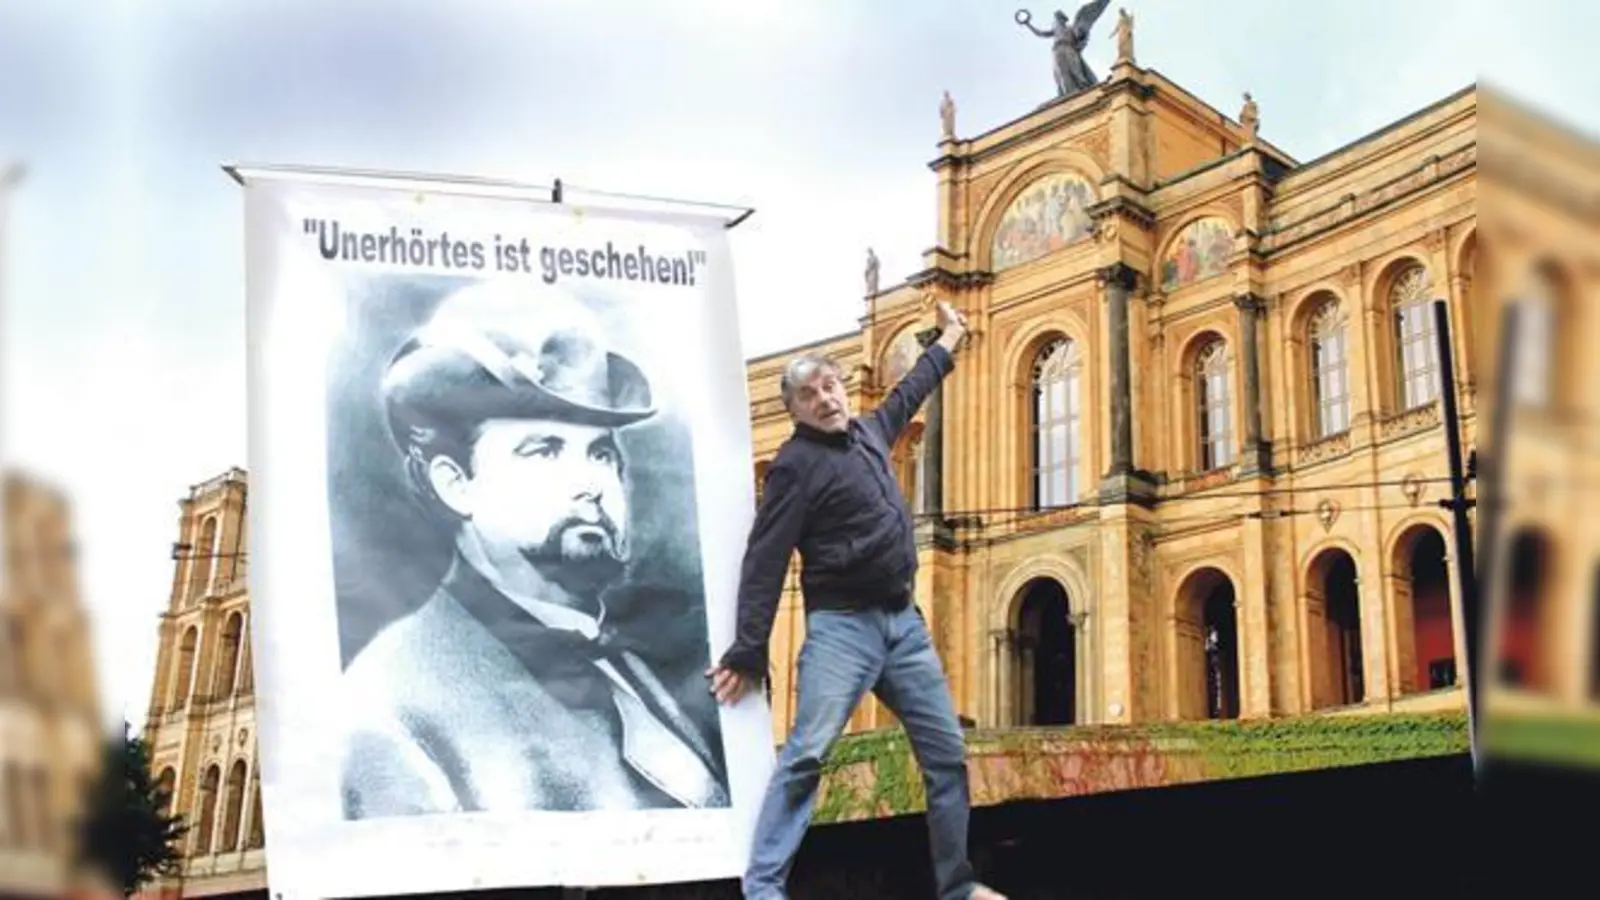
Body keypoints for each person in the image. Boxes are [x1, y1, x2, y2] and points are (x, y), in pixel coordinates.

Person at [338, 280, 730, 819]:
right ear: (457, 483)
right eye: (544, 450)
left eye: (599, 452)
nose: (589, 483)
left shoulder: (632, 669)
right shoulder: (388, 708)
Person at [708, 300, 1005, 900]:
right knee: (806, 755)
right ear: (794, 411)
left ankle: (958, 887)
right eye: (810, 395)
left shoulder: (870, 429)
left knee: (947, 755)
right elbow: (765, 560)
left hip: (903, 624)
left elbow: (910, 392)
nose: (825, 398)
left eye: (829, 385)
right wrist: (747, 650)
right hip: (844, 629)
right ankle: (763, 888)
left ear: (842, 387)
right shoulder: (793, 466)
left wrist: (948, 339)